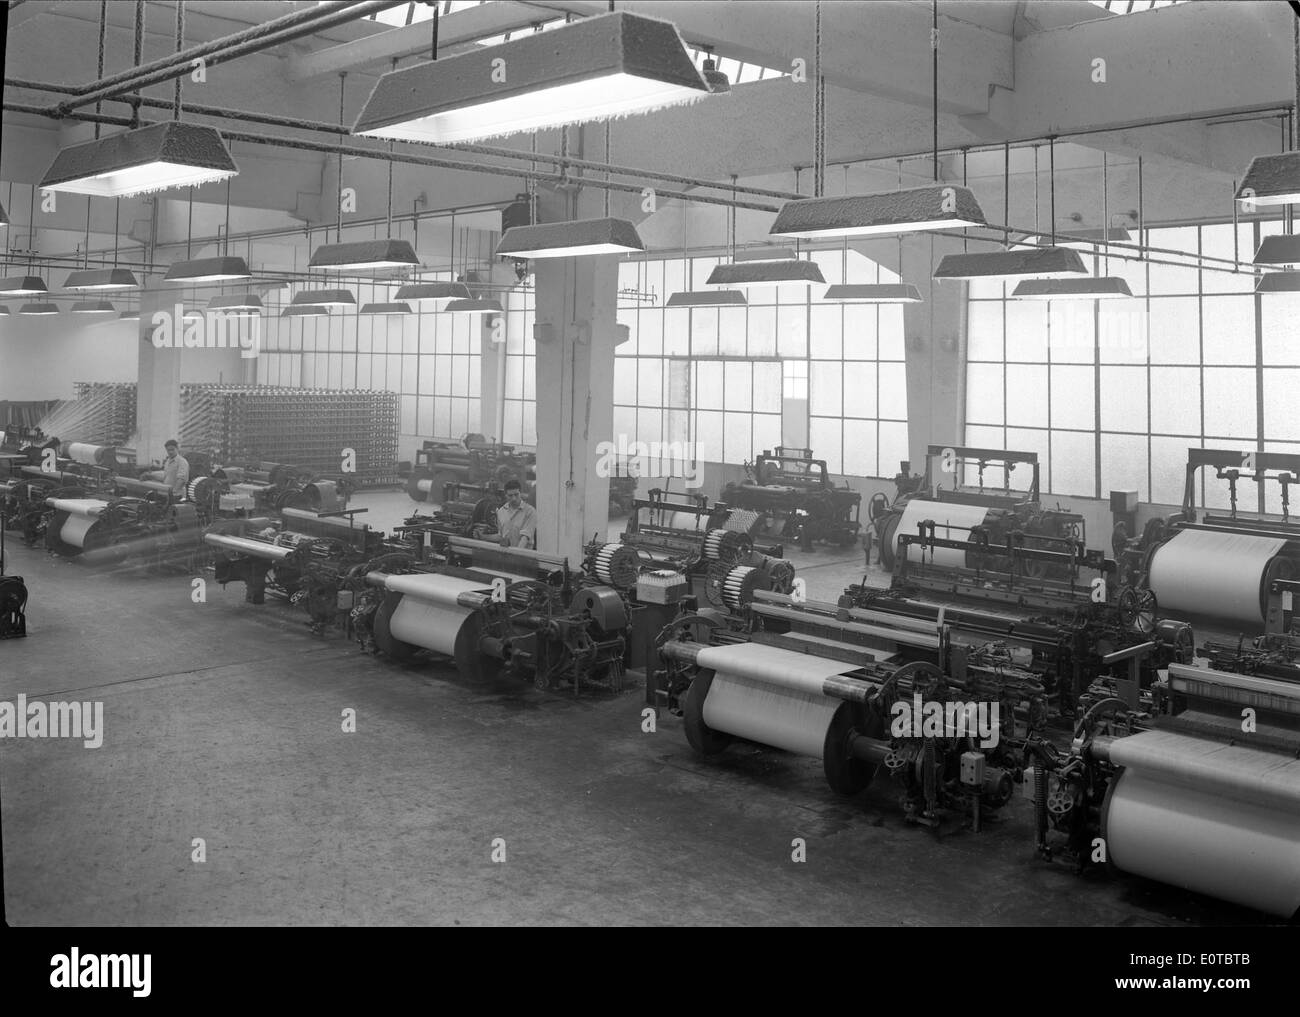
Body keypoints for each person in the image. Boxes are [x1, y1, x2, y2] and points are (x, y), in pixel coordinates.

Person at [495, 479, 537, 549]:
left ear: (520, 493)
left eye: (516, 494)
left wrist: (516, 554)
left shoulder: (530, 511)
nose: (514, 498)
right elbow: (500, 536)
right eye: (510, 495)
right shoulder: (501, 511)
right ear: (506, 495)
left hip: (524, 556)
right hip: (506, 555)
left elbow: (525, 537)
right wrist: (483, 536)